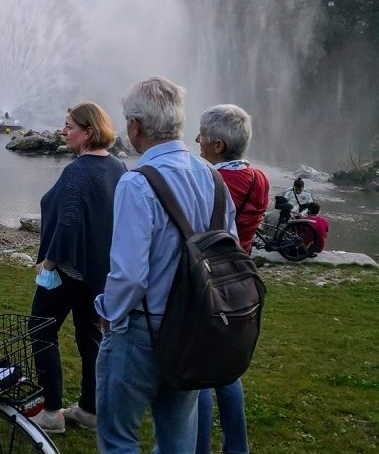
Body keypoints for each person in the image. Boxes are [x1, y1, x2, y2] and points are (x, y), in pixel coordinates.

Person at [95, 77, 237, 454]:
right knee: (178, 443)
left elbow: (129, 275)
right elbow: (231, 251)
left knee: (118, 439)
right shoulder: (214, 178)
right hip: (195, 330)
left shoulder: (137, 183)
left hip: (142, 333)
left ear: (136, 126)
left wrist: (108, 314)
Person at [28, 103, 127, 435]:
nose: (63, 130)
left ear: (88, 131)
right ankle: (90, 410)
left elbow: (68, 223)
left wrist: (49, 263)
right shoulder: (118, 167)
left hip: (68, 272)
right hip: (99, 273)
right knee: (90, 337)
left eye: (69, 125)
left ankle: (52, 412)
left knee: (40, 331)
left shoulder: (78, 172)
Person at [195, 103, 269, 454]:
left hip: (210, 281)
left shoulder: (215, 180)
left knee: (199, 374)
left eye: (202, 136)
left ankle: (197, 448)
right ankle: (237, 447)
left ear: (218, 146)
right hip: (241, 278)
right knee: (227, 371)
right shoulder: (258, 177)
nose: (196, 140)